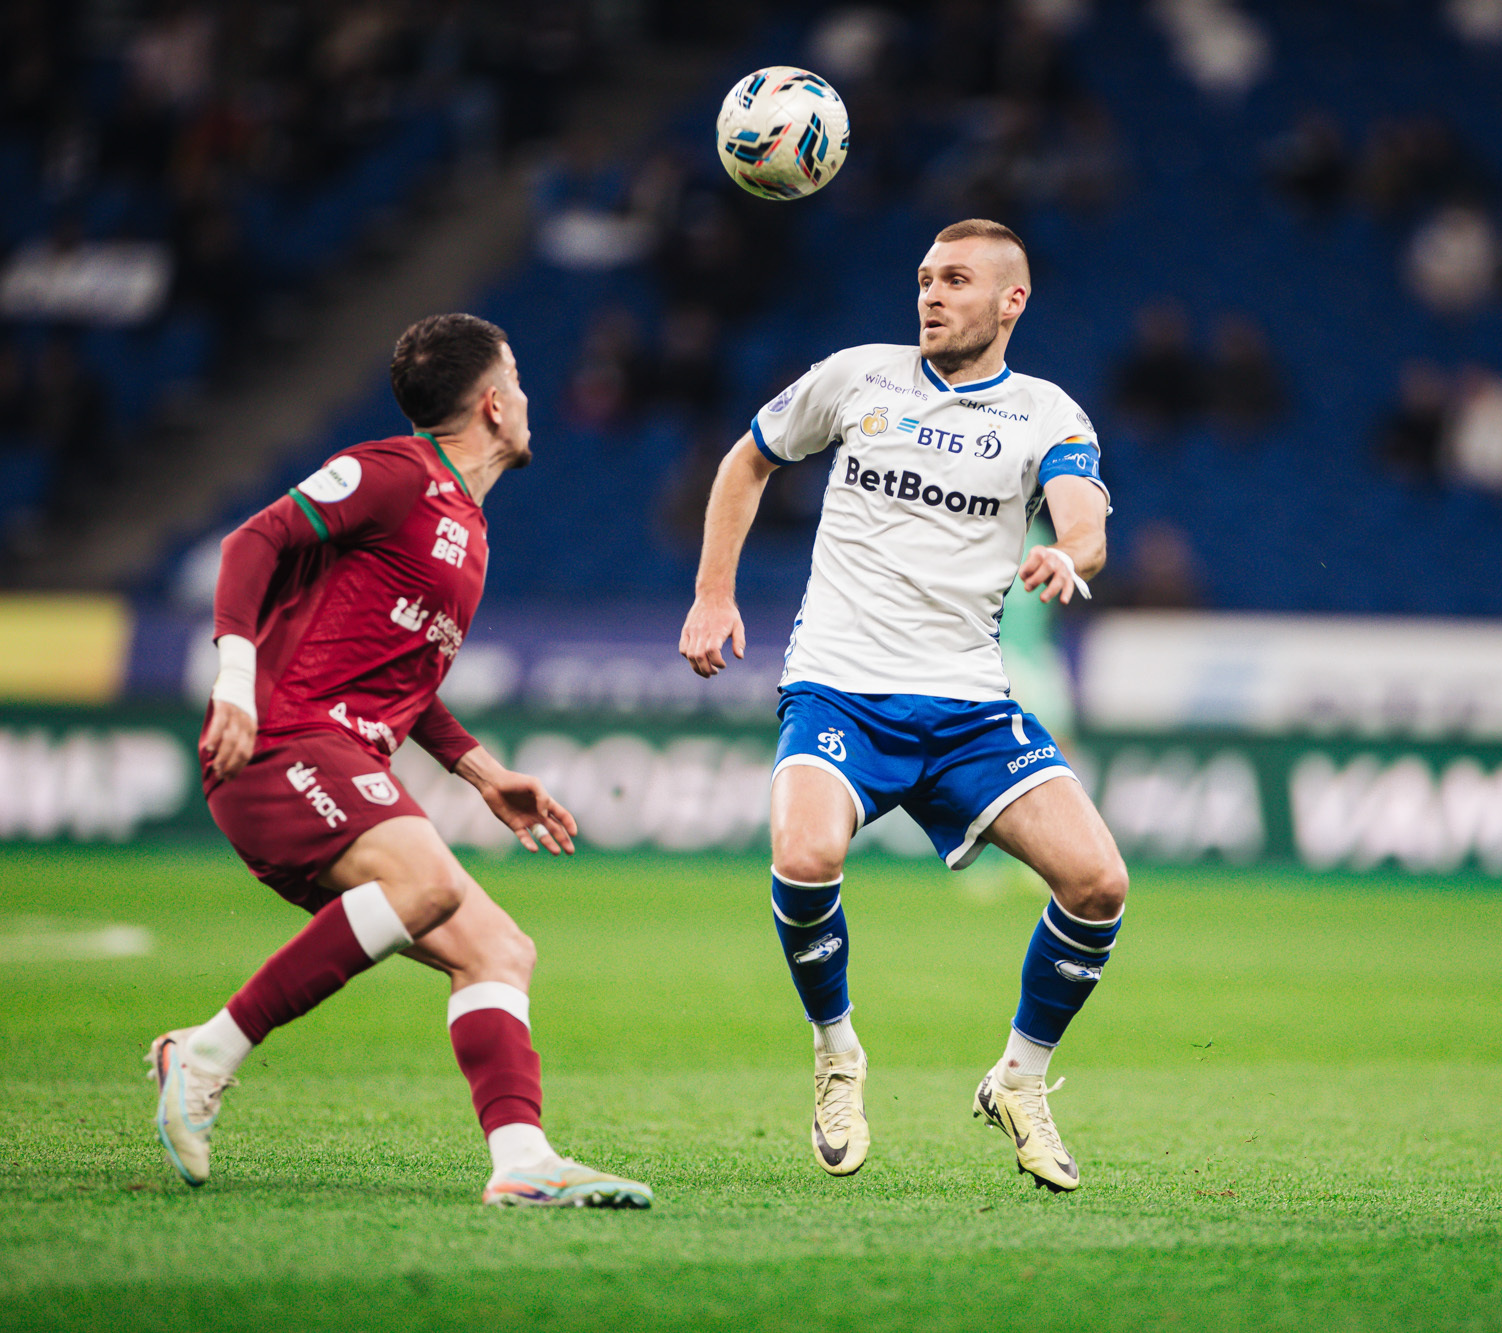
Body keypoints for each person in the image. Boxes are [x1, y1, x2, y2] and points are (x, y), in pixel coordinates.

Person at [150, 313, 651, 1209]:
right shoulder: (394, 473)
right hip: (280, 741)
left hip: (336, 754)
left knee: (499, 948)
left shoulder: (466, 522)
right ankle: (207, 1053)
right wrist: (235, 683)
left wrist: (480, 770)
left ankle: (523, 1160)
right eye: (518, 379)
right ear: (492, 403)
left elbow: (401, 678)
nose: (527, 397)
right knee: (428, 883)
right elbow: (250, 541)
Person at [678, 219, 1127, 1194]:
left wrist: (1068, 552)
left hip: (966, 703)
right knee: (805, 855)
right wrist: (714, 594)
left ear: (1011, 301)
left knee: (1098, 884)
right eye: (925, 277)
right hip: (839, 683)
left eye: (956, 280)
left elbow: (1085, 520)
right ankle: (837, 1052)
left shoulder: (1046, 412)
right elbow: (746, 460)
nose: (931, 295)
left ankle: (1020, 1078)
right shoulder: (856, 377)